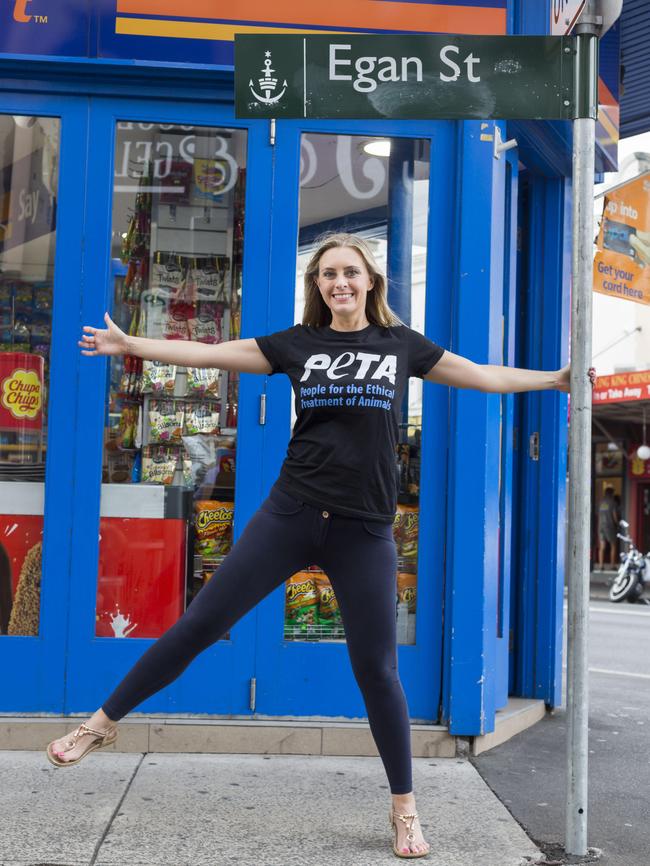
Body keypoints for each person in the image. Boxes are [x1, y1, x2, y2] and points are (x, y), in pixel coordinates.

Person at [47, 232, 578, 859]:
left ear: (371, 281)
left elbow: (482, 376)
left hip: (365, 530)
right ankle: (100, 724)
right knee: (200, 623)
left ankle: (404, 809)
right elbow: (214, 353)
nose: (340, 283)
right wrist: (132, 343)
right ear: (318, 285)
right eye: (328, 275)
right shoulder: (298, 344)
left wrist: (559, 379)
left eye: (350, 273)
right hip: (292, 513)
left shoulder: (400, 345)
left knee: (376, 669)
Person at [597, 486, 620, 570]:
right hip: (610, 526)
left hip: (601, 527)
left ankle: (601, 565)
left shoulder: (601, 503)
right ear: (611, 493)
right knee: (613, 545)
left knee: (602, 546)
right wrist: (618, 524)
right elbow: (615, 516)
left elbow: (599, 516)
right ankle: (612, 565)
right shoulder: (613, 502)